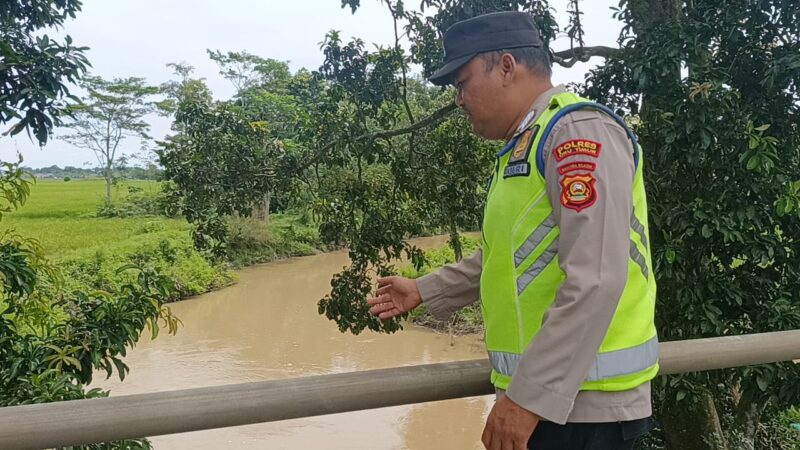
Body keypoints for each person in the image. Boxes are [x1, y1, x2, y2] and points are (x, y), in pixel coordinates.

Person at [367, 10, 658, 450]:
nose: (459, 99)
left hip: (581, 410)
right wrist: (425, 289)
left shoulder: (577, 132)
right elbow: (508, 255)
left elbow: (596, 278)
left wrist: (526, 400)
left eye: (462, 83)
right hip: (553, 402)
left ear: (506, 66)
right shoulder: (526, 144)